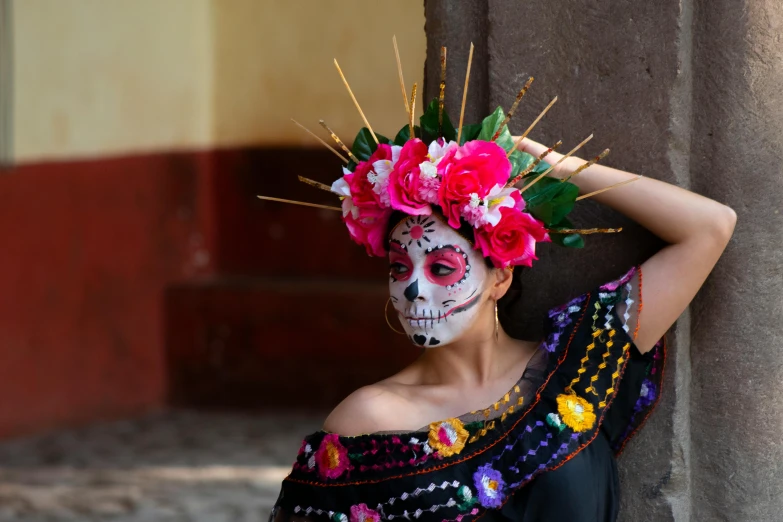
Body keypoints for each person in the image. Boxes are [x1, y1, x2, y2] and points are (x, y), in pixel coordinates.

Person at [264, 55, 736, 521]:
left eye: (442, 268)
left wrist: (556, 166)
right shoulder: (366, 421)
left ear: (500, 277)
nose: (412, 289)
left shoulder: (579, 364)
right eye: (398, 268)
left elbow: (709, 227)